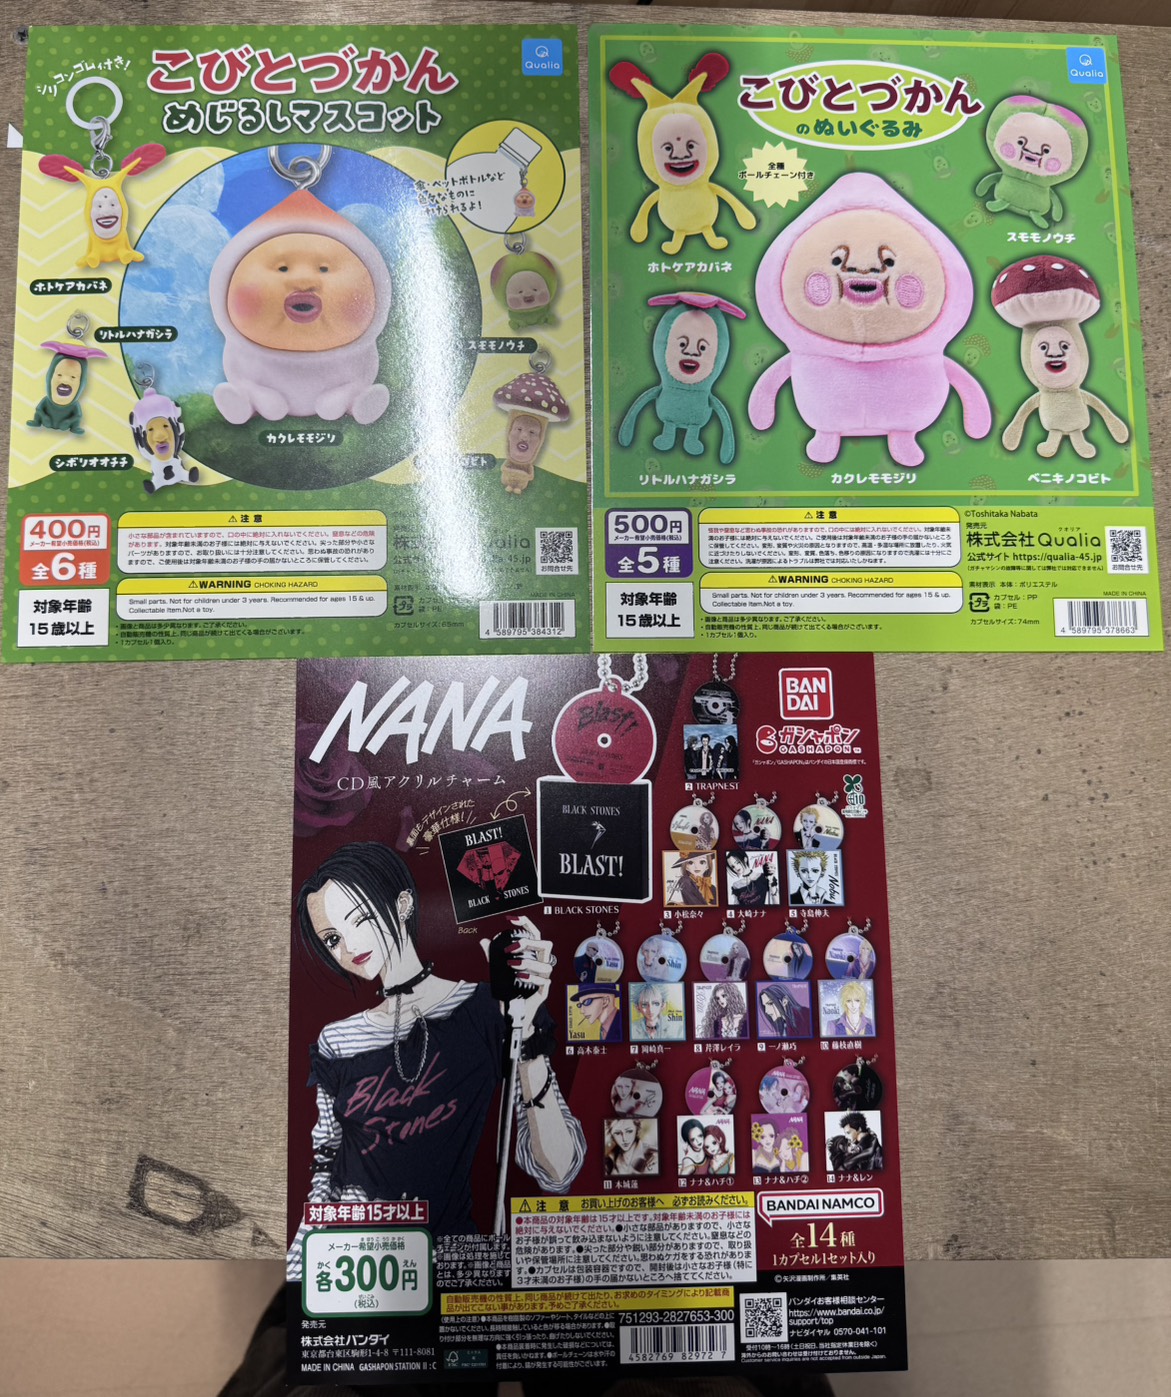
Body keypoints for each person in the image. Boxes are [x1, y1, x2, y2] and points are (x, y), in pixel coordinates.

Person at [286, 842, 585, 1279]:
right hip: (357, 1263)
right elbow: (326, 1169)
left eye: (361, 918)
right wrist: (300, 1275)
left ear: (403, 904)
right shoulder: (338, 1040)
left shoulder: (490, 1008)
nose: (349, 945)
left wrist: (526, 1025)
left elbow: (558, 1171)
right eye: (332, 939)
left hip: (452, 1265)